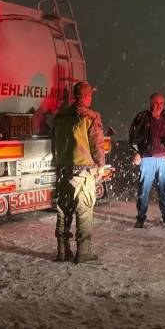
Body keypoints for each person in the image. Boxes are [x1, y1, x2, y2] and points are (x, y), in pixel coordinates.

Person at [53, 81, 105, 264]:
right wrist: (100, 164)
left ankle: (62, 250)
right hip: (82, 172)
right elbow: (96, 145)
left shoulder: (59, 117)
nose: (91, 98)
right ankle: (83, 253)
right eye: (90, 95)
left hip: (63, 170)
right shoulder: (91, 117)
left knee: (63, 211)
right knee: (84, 212)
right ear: (85, 97)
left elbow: (55, 145)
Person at [128, 92, 165, 228]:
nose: (159, 106)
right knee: (144, 190)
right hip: (147, 158)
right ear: (150, 103)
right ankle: (141, 218)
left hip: (164, 160)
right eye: (156, 102)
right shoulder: (142, 117)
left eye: (161, 103)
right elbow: (133, 136)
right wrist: (135, 152)